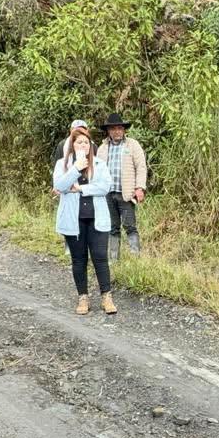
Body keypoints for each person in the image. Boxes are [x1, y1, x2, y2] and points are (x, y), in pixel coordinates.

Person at [53, 130, 118, 315]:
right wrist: (75, 169)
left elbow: (105, 186)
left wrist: (81, 188)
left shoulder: (99, 163)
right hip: (74, 220)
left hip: (97, 218)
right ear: (72, 145)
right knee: (79, 259)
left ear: (91, 146)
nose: (83, 146)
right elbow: (59, 186)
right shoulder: (62, 164)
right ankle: (83, 297)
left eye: (86, 143)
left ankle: (106, 296)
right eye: (79, 142)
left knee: (100, 257)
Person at [96, 112, 148, 260]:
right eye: (113, 129)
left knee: (130, 226)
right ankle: (113, 260)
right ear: (108, 131)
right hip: (107, 194)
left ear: (124, 130)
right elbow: (97, 171)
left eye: (119, 128)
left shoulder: (132, 145)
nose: (117, 131)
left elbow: (141, 167)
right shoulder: (102, 148)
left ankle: (135, 259)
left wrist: (139, 188)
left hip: (126, 193)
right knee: (112, 228)